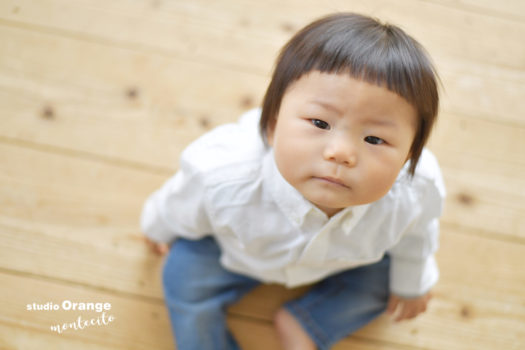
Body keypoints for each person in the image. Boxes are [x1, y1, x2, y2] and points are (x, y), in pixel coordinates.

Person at [141, 12, 445, 350]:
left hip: (340, 265)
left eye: (374, 140)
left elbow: (419, 234)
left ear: (408, 158)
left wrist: (412, 282)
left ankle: (308, 324)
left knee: (395, 281)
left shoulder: (415, 191)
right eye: (319, 122)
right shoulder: (224, 174)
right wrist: (157, 227)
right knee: (182, 276)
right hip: (238, 255)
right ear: (272, 125)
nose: (341, 153)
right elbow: (181, 200)